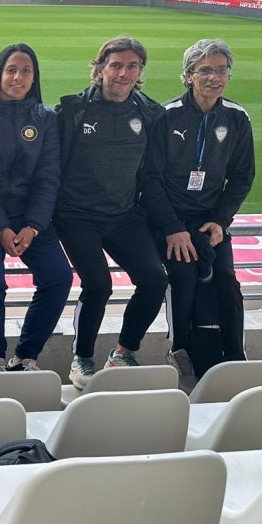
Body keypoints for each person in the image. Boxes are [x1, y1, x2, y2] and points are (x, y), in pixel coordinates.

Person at [54, 37, 168, 389]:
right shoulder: (73, 110)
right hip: (77, 214)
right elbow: (52, 165)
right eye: (116, 65)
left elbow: (152, 174)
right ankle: (82, 358)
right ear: (100, 68)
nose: (123, 73)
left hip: (123, 216)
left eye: (132, 66)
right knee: (99, 284)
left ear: (140, 73)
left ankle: (123, 352)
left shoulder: (150, 113)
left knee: (154, 279)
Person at [144, 39, 255, 389]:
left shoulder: (237, 118)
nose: (215, 77)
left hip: (210, 220)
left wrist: (221, 221)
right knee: (183, 277)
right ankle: (180, 351)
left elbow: (242, 176)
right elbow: (150, 179)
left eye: (221, 70)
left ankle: (236, 355)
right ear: (189, 75)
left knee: (227, 279)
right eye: (205, 70)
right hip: (171, 220)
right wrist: (173, 228)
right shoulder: (167, 116)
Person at [0, 44, 73, 372]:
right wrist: (0, 228)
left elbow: (49, 177)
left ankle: (25, 356)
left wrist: (33, 225)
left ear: (34, 77)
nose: (17, 77)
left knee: (59, 277)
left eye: (25, 71)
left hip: (29, 218)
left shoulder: (46, 118)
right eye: (11, 70)